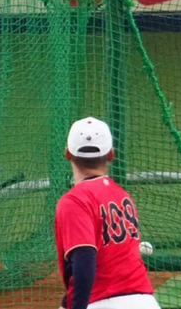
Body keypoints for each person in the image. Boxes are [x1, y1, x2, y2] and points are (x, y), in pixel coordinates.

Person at [55, 117, 160, 309]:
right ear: (111, 154)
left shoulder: (74, 201)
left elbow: (84, 262)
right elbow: (110, 260)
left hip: (102, 302)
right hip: (145, 301)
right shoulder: (123, 196)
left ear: (67, 153)